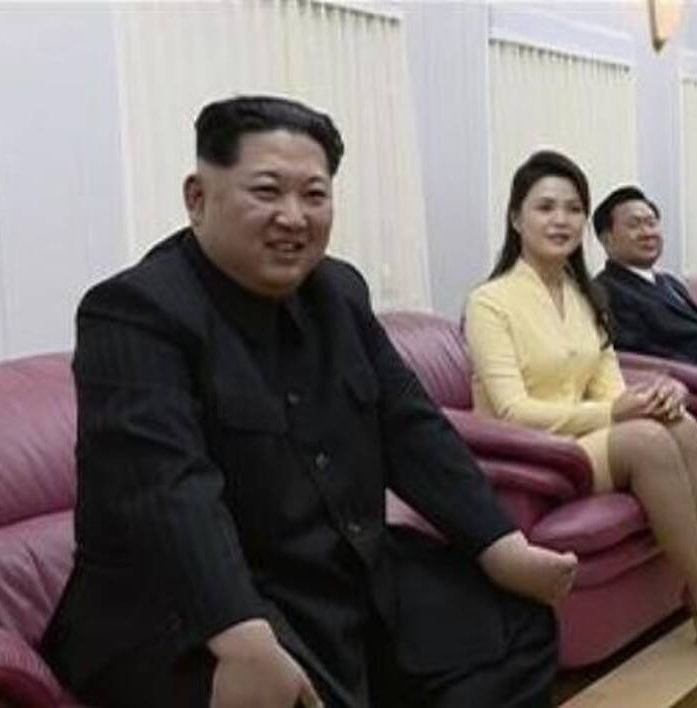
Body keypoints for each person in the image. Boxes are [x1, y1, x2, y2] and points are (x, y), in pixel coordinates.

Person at [40, 96, 574, 708]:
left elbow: (409, 425)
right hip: (188, 605)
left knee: (518, 627)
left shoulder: (338, 291)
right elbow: (168, 490)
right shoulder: (135, 312)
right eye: (267, 191)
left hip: (338, 573)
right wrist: (239, 634)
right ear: (197, 197)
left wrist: (500, 546)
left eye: (314, 195)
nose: (293, 217)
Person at [464, 150, 697, 660]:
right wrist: (618, 413)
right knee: (648, 440)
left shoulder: (585, 294)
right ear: (517, 218)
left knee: (683, 425)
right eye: (545, 207)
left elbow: (611, 389)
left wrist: (656, 396)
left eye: (573, 209)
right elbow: (512, 412)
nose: (561, 220)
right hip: (533, 455)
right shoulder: (489, 302)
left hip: (588, 438)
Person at [592, 185, 697, 372]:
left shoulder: (669, 281)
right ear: (606, 239)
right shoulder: (605, 292)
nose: (647, 233)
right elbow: (642, 356)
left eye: (651, 223)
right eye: (634, 225)